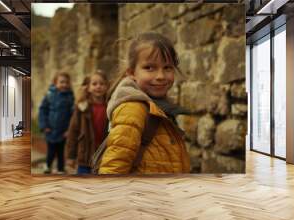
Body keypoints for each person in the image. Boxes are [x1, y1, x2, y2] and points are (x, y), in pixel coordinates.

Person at [98, 32, 191, 174]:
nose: (160, 76)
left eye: (167, 68)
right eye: (149, 68)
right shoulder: (132, 108)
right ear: (131, 73)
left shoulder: (159, 105)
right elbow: (115, 165)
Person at [67, 70, 109, 174]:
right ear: (88, 88)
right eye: (94, 84)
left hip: (104, 156)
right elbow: (73, 132)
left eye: (102, 84)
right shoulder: (82, 108)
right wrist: (71, 156)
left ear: (107, 86)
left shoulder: (110, 107)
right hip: (85, 157)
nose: (98, 86)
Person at [39, 71, 75, 174]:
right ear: (55, 83)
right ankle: (48, 165)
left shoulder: (70, 97)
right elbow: (43, 110)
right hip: (50, 129)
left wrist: (69, 129)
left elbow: (72, 115)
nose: (64, 85)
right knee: (51, 150)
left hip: (63, 131)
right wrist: (44, 125)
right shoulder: (50, 95)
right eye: (61, 82)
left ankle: (60, 169)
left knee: (60, 151)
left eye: (66, 82)